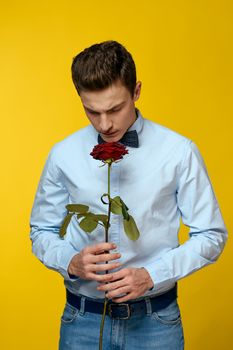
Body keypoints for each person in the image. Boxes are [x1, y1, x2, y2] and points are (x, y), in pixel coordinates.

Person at [29, 40, 228, 350]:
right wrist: (70, 261)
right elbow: (41, 231)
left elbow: (211, 236)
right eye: (91, 111)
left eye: (115, 109)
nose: (105, 124)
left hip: (156, 324)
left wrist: (152, 275)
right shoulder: (62, 155)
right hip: (82, 322)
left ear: (136, 91)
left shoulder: (179, 152)